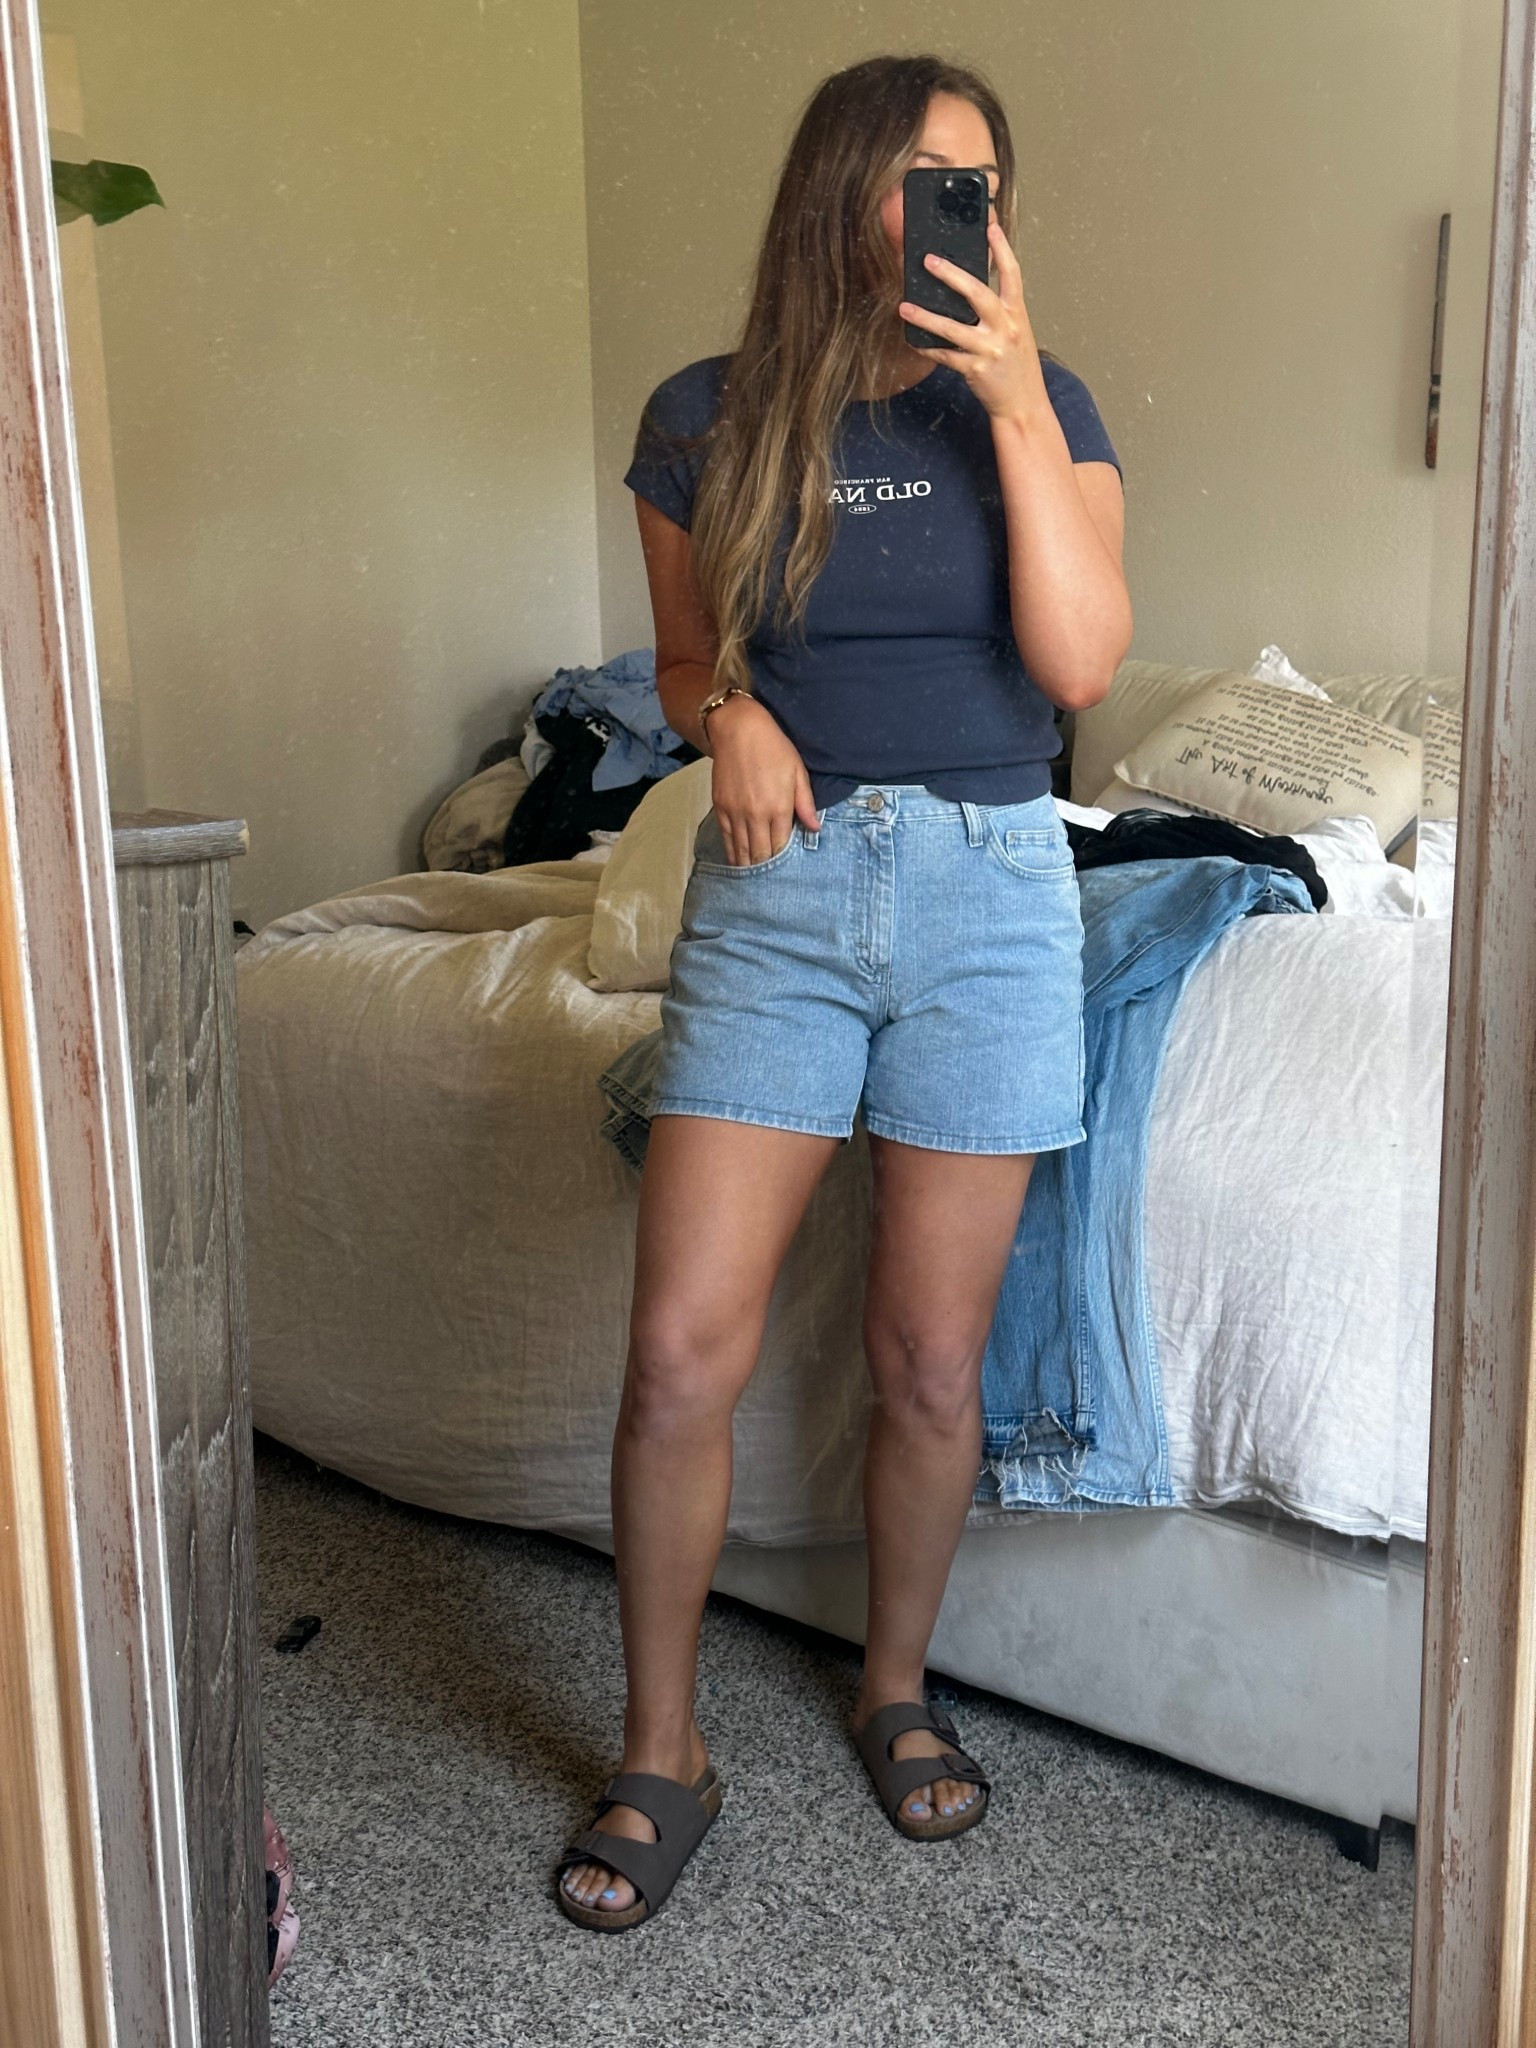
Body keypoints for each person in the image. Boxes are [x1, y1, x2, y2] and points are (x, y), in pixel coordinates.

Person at [556, 51, 1131, 1930]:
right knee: (676, 1356)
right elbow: (681, 661)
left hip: (993, 896)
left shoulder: (1043, 402)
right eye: (915, 178)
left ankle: (893, 1684)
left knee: (930, 1361)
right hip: (782, 891)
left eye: (979, 184)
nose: (951, 214)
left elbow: (1078, 665)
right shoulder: (705, 412)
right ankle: (664, 1749)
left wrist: (1014, 404)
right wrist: (725, 710)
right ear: (838, 192)